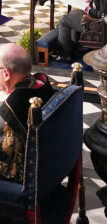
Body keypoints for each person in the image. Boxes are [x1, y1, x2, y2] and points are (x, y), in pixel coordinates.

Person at [0, 43, 54, 182]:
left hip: (26, 176)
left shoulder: (13, 106)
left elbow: (8, 161)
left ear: (5, 73)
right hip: (52, 157)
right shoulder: (42, 84)